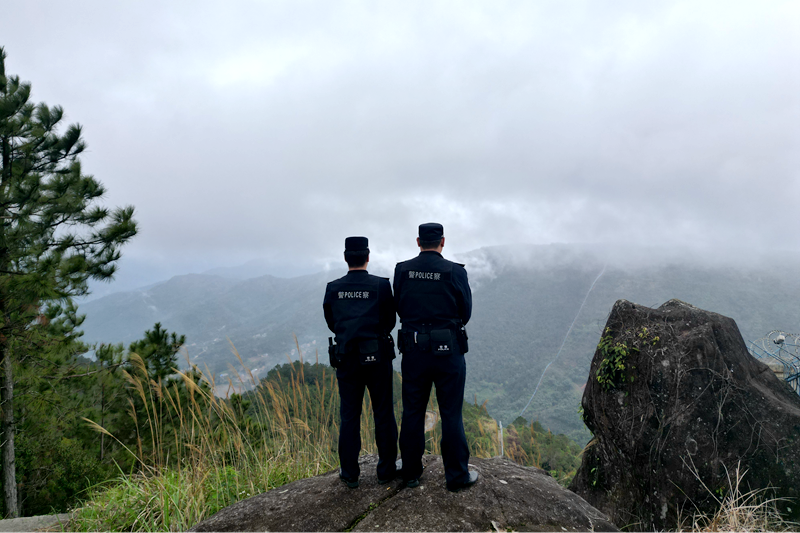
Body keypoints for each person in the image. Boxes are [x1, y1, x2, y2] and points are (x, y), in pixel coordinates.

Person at [393, 222, 478, 492]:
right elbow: (465, 313)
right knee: (451, 413)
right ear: (443, 241)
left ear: (418, 241)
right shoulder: (455, 271)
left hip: (414, 351)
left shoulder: (402, 270)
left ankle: (410, 473)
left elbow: (399, 307)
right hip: (448, 352)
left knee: (413, 412)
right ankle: (456, 476)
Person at [323, 236, 400, 488]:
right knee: (383, 413)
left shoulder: (333, 288)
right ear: (368, 257)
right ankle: (386, 470)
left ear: (346, 258)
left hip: (346, 359)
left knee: (349, 416)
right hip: (376, 357)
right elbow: (390, 320)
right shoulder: (380, 286)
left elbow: (332, 322)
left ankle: (349, 473)